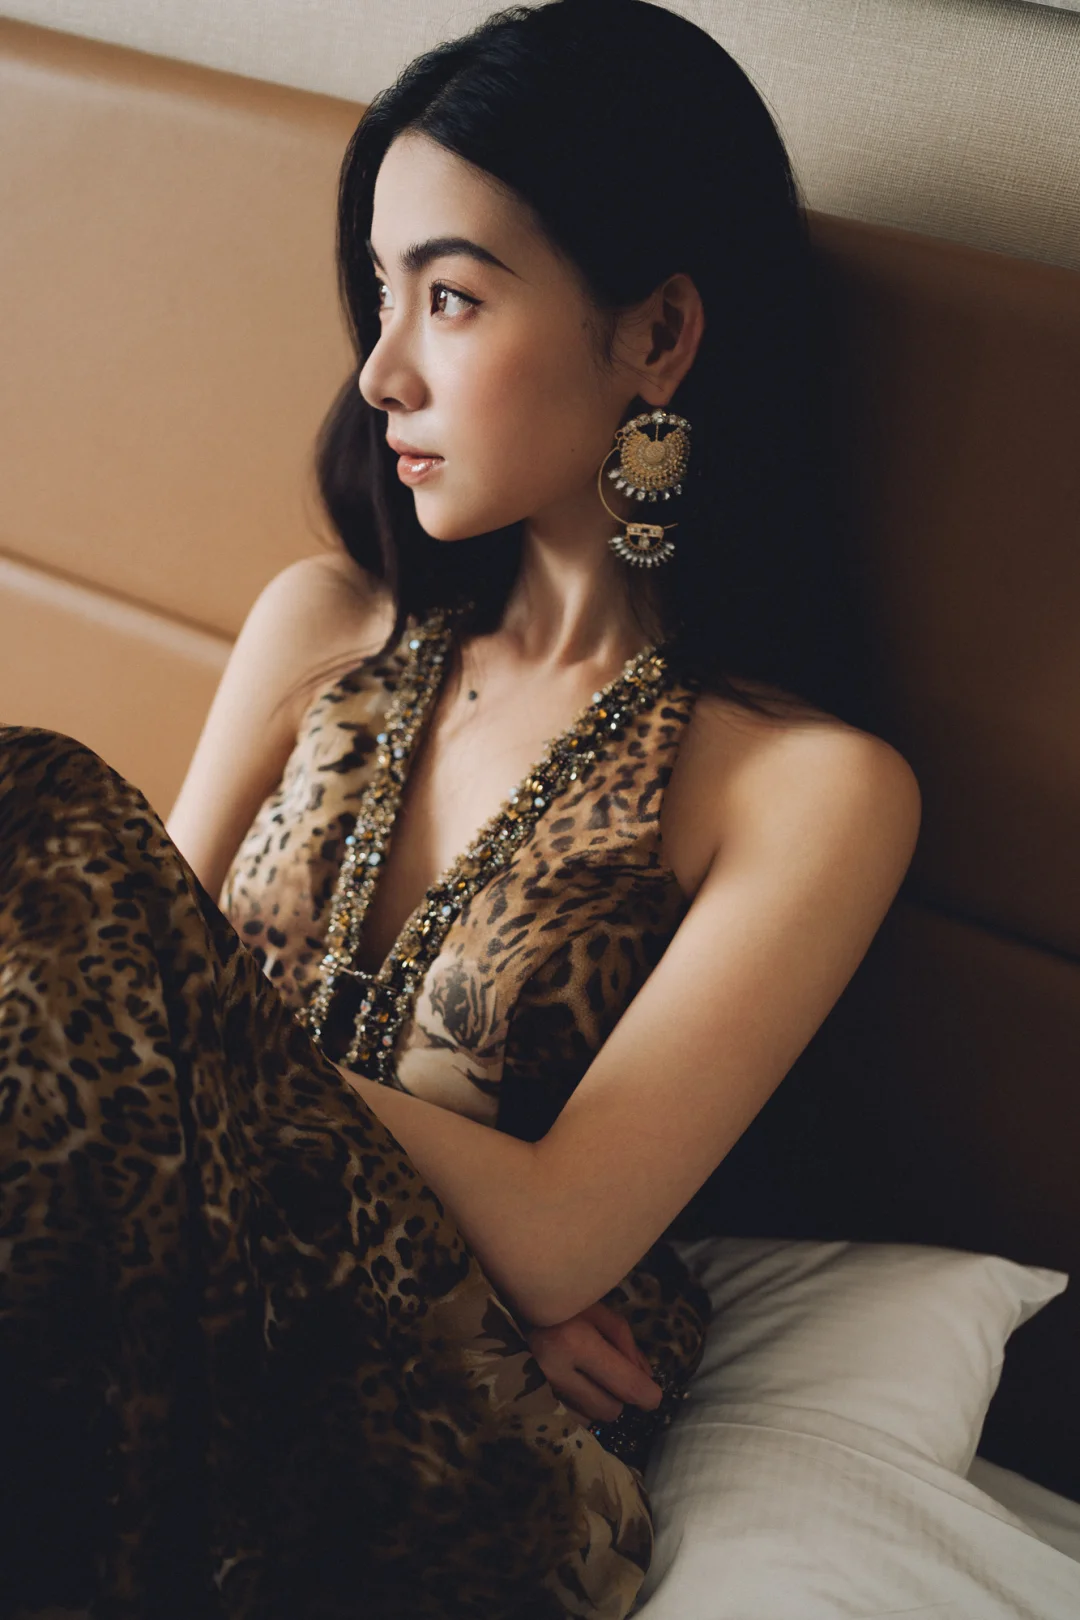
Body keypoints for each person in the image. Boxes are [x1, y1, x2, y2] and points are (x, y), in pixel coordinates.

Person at [0, 1, 921, 1616]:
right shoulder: (321, 625)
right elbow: (119, 1029)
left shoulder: (810, 789)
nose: (380, 370)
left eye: (451, 296)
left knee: (44, 807)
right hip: (181, 1299)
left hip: (463, 1438)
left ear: (659, 337)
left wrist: (461, 1249)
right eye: (380, 292)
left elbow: (562, 1239)